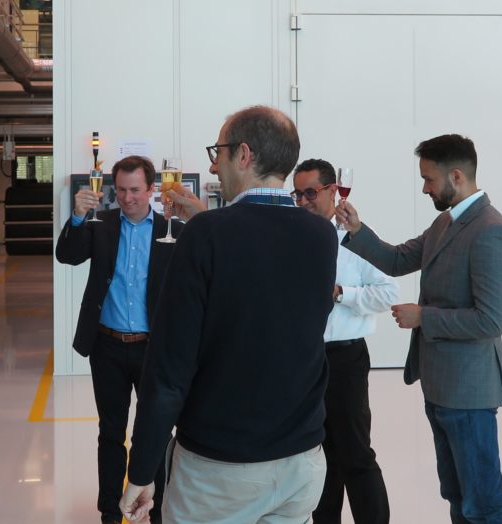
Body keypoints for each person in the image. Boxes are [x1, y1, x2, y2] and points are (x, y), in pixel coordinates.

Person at [120, 106, 337, 524]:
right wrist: (207, 221)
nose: (212, 163)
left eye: (217, 151)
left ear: (243, 154)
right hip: (302, 460)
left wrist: (142, 467)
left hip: (220, 468)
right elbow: (264, 264)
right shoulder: (322, 236)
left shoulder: (205, 236)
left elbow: (168, 370)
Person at [335, 134, 502, 523]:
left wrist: (423, 316)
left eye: (429, 179)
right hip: (440, 386)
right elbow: (398, 259)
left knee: (483, 503)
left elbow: (490, 320)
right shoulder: (445, 222)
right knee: (456, 495)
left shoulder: (490, 230)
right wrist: (357, 228)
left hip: (469, 392)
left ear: (456, 176)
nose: (424, 187)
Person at [55, 155, 180, 524]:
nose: (127, 198)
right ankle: (110, 512)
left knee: (153, 433)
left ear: (151, 189)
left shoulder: (172, 230)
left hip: (152, 348)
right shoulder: (101, 224)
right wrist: (76, 217)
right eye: (121, 190)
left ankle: (154, 510)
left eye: (136, 190)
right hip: (107, 346)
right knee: (110, 432)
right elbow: (68, 255)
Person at [292, 159, 397, 524]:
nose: (302, 201)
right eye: (297, 194)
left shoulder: (354, 241)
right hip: (305, 360)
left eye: (310, 193)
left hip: (345, 361)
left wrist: (342, 293)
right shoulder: (294, 239)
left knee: (354, 454)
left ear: (332, 191)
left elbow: (389, 292)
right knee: (317, 455)